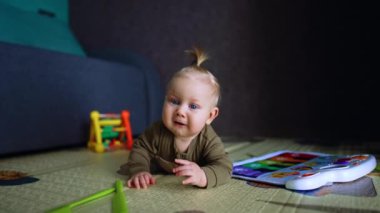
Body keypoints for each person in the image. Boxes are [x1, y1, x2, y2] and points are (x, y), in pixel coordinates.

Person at [120, 47, 232, 189]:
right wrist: (140, 170)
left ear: (210, 116)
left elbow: (224, 167)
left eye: (193, 106)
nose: (180, 111)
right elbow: (140, 149)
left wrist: (204, 175)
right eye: (174, 101)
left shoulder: (208, 140)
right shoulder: (156, 132)